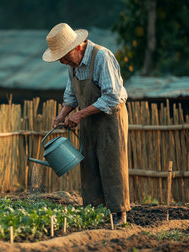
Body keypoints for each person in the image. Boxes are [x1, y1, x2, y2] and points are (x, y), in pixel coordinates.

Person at [42, 23, 130, 225]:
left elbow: (112, 97)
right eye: (60, 59)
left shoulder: (101, 57)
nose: (63, 62)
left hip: (110, 119)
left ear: (78, 46)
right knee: (88, 163)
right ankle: (96, 212)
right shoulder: (72, 66)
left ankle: (119, 213)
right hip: (88, 119)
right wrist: (62, 115)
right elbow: (71, 95)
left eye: (65, 56)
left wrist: (80, 115)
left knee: (112, 163)